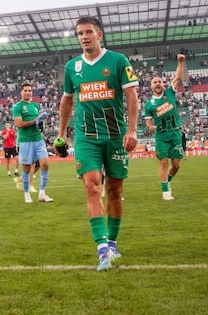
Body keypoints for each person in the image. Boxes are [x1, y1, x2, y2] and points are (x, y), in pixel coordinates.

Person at [57, 16, 139, 271]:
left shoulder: (118, 61)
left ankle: (113, 242)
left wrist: (132, 130)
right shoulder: (72, 67)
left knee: (115, 191)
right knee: (93, 187)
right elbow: (67, 101)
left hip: (115, 137)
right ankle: (102, 249)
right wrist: (61, 133)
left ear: (99, 34)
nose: (84, 36)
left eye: (89, 32)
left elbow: (132, 96)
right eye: (80, 33)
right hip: (86, 138)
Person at [144, 54, 186, 201]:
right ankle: (165, 192)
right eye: (154, 82)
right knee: (163, 162)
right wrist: (151, 127)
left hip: (175, 134)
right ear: (150, 86)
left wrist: (180, 62)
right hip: (161, 135)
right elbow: (148, 122)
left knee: (176, 165)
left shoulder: (169, 93)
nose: (157, 84)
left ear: (163, 84)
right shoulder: (149, 104)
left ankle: (167, 181)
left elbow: (178, 77)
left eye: (159, 82)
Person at [12, 82, 53, 204]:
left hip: (38, 140)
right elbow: (19, 124)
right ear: (21, 92)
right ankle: (26, 194)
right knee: (26, 168)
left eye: (30, 90)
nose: (28, 92)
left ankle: (42, 193)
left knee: (45, 164)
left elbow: (39, 125)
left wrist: (41, 123)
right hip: (25, 141)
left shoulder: (36, 106)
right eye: (25, 90)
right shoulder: (17, 107)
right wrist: (35, 120)